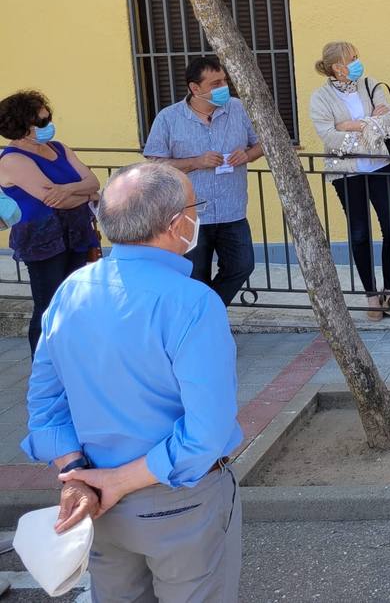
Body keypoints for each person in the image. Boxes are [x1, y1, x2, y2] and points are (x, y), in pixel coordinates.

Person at [22, 161, 242, 601]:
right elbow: (206, 433)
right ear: (177, 224)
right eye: (195, 207)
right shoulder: (193, 302)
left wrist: (77, 474)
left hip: (98, 500)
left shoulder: (71, 290)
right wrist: (117, 482)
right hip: (179, 500)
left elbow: (45, 405)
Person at [143, 54, 262, 306]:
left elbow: (262, 143)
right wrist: (195, 162)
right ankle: (199, 326)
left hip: (232, 210)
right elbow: (154, 163)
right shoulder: (168, 118)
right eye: (215, 84)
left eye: (224, 81)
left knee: (242, 265)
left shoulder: (237, 108)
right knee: (195, 276)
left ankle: (208, 310)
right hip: (190, 214)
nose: (223, 88)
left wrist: (248, 154)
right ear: (195, 88)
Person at [0, 91, 100, 354]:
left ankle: (71, 362)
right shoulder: (12, 159)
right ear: (22, 127)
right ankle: (43, 373)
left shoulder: (59, 148)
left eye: (49, 119)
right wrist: (86, 193)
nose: (49, 126)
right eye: (42, 123)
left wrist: (76, 190)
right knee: (48, 307)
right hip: (43, 242)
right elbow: (54, 201)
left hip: (76, 234)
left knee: (74, 302)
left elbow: (93, 181)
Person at [310, 41, 390, 322]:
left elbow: (389, 121)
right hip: (347, 175)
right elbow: (329, 137)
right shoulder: (321, 98)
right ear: (338, 67)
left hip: (380, 168)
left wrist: (351, 126)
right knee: (360, 233)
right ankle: (372, 296)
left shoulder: (371, 85)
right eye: (352, 58)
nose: (357, 61)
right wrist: (368, 126)